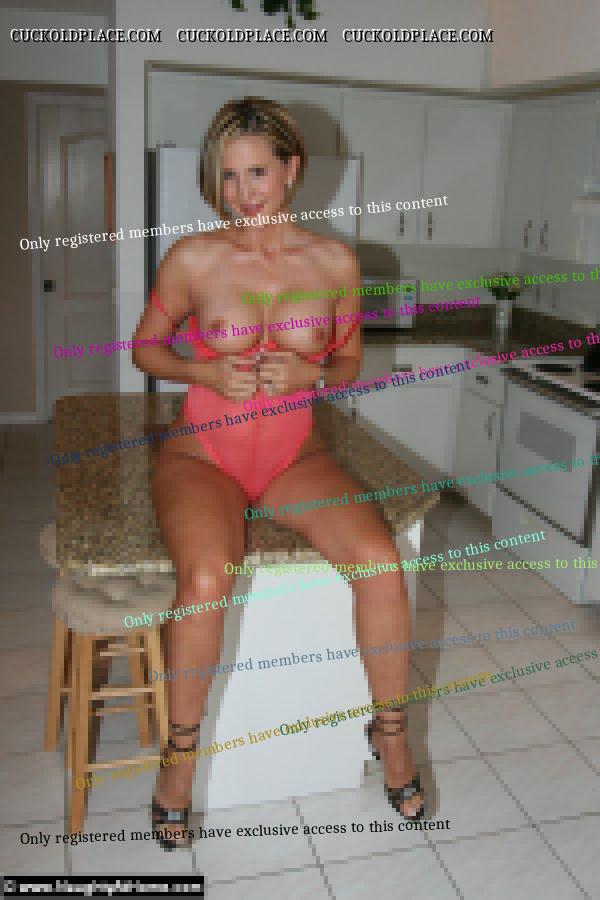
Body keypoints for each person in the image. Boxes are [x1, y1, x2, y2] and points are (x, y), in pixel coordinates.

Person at [132, 96, 425, 851]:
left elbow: (350, 362)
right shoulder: (194, 258)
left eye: (257, 173)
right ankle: (178, 762)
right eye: (228, 177)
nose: (243, 193)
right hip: (204, 453)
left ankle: (390, 735)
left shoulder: (336, 263)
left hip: (295, 457)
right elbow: (145, 348)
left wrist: (313, 372)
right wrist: (202, 369)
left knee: (381, 564)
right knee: (206, 580)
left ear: (291, 169)